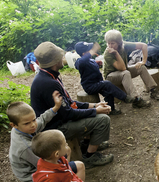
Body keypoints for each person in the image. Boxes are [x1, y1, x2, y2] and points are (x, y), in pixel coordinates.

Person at [30, 41, 114, 169]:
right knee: (102, 120)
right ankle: (90, 157)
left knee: (93, 115)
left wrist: (94, 105)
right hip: (54, 128)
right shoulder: (48, 83)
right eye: (60, 57)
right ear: (55, 61)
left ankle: (87, 144)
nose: (63, 59)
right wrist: (96, 111)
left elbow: (69, 103)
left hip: (60, 120)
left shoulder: (50, 76)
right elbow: (68, 113)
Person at [8, 93, 85, 182]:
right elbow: (45, 164)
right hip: (34, 179)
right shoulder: (25, 146)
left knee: (66, 150)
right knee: (79, 165)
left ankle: (67, 179)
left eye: (33, 119)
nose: (33, 125)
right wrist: (62, 155)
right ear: (13, 125)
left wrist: (56, 107)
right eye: (27, 123)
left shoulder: (23, 128)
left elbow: (42, 120)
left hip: (38, 168)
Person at [74, 41, 141, 114]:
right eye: (89, 50)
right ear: (84, 53)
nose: (91, 51)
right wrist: (93, 50)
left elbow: (90, 66)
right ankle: (125, 98)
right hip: (90, 86)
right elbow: (81, 62)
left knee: (108, 92)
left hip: (98, 83)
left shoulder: (91, 61)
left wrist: (97, 63)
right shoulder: (79, 62)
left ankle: (111, 109)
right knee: (107, 84)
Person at [103, 29, 159, 105]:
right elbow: (122, 68)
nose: (110, 46)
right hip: (111, 76)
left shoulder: (124, 45)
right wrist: (116, 53)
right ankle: (136, 100)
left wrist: (143, 61)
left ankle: (153, 90)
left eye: (113, 43)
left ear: (119, 43)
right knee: (126, 73)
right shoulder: (107, 54)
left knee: (141, 67)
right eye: (108, 43)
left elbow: (143, 46)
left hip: (123, 71)